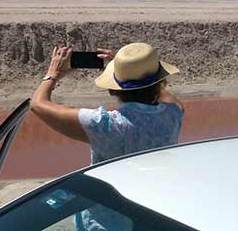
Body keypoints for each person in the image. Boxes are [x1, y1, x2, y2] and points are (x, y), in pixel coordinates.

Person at [31, 42, 184, 231]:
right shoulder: (171, 116)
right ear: (160, 81)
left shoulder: (106, 126)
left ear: (113, 88)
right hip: (151, 217)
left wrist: (52, 74)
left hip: (108, 224)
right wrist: (138, 75)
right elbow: (172, 101)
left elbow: (38, 104)